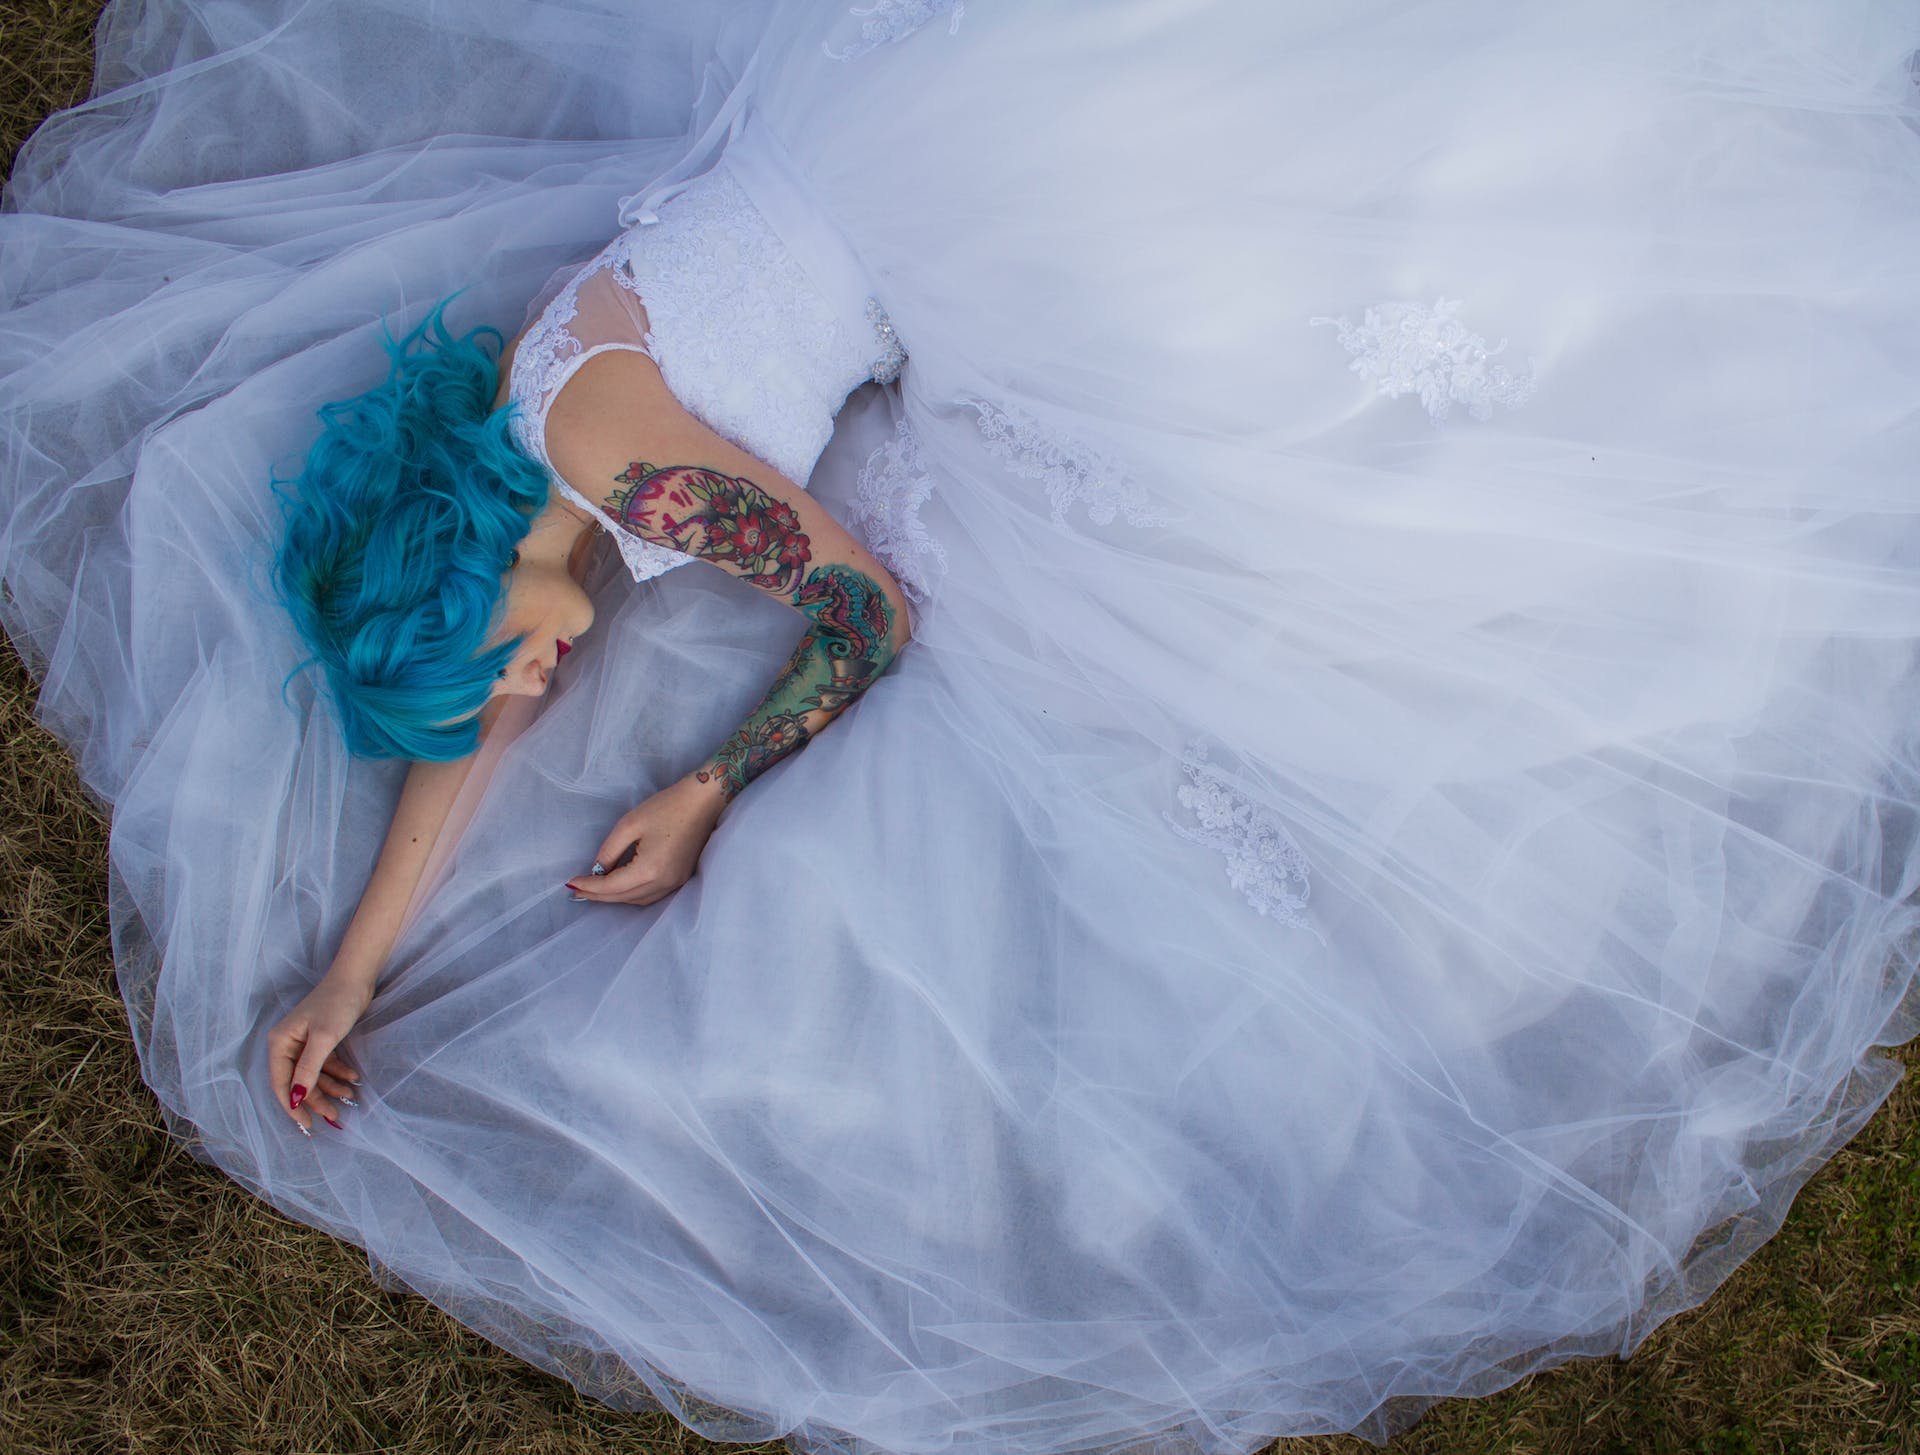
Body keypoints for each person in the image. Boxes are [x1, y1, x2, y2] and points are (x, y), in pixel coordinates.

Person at [2, 3, 1917, 1453]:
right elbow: (462, 746)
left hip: (991, 228)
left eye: (494, 665)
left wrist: (704, 780)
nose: (523, 699)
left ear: (469, 583)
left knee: (1296, 479)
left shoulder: (649, 487)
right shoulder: (541, 437)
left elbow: (872, 612)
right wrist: (354, 972)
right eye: (498, 693)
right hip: (882, 150)